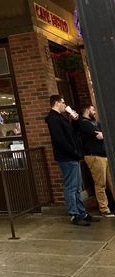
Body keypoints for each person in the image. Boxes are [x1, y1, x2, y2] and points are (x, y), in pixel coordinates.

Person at [45, 95, 99, 226]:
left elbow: (72, 133)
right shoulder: (53, 118)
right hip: (67, 157)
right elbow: (60, 139)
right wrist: (74, 152)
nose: (65, 105)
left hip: (72, 157)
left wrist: (74, 120)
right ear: (57, 103)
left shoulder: (61, 117)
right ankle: (74, 215)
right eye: (63, 102)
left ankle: (82, 212)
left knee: (77, 187)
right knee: (71, 187)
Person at [76, 104, 115, 218]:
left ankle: (111, 205)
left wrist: (104, 134)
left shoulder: (95, 122)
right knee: (100, 184)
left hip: (104, 156)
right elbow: (99, 136)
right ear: (87, 110)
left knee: (111, 183)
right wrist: (103, 134)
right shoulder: (83, 123)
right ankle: (104, 209)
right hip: (94, 156)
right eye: (92, 109)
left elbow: (105, 133)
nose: (95, 111)